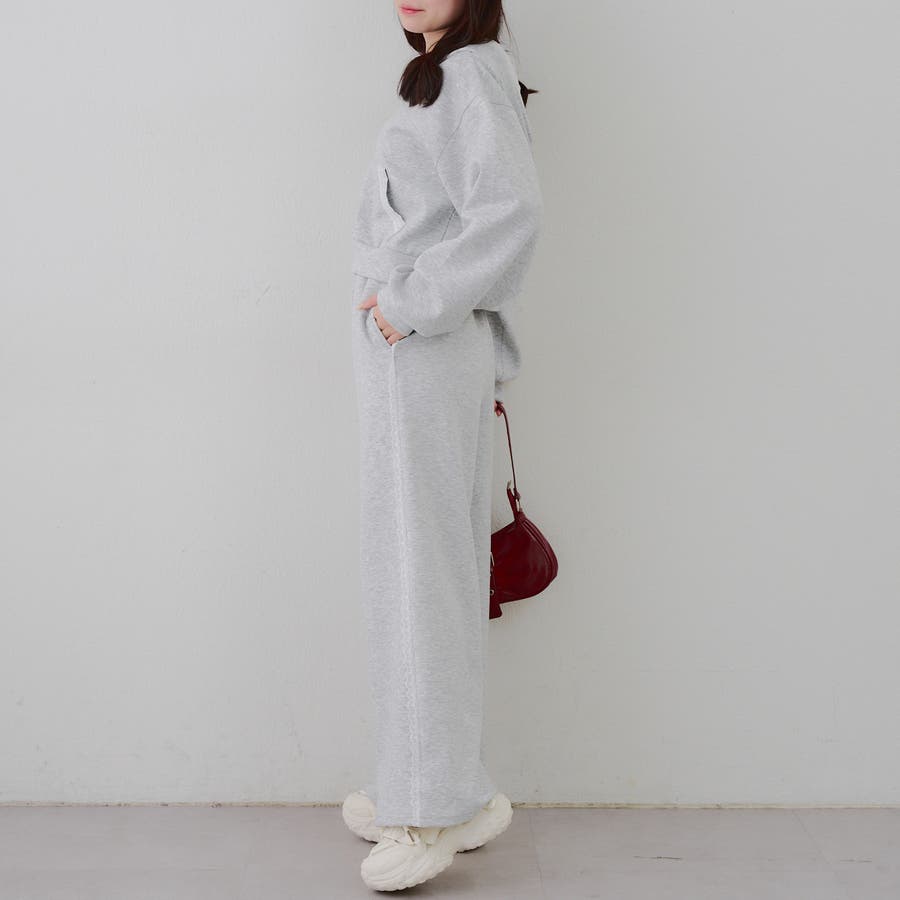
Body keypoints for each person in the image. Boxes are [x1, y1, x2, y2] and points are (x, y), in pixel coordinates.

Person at [344, 0, 543, 890]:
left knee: (420, 575)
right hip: (420, 350)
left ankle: (428, 808)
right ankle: (441, 787)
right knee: (422, 571)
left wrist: (409, 305)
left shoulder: (469, 71)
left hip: (423, 348)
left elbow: (509, 211)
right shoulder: (457, 73)